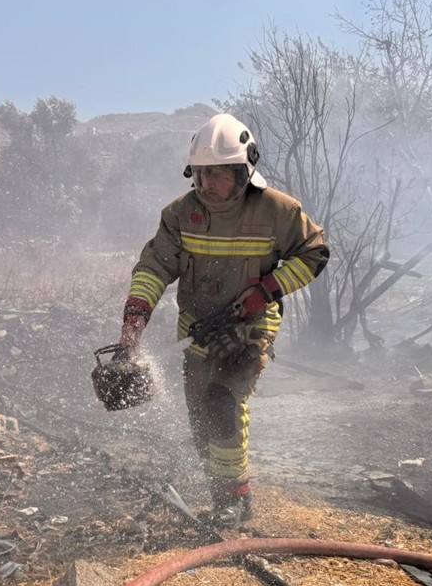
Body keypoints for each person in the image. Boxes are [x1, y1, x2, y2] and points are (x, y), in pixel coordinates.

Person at [118, 113, 329, 525]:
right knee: (201, 418)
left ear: (243, 169)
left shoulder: (277, 211)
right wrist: (133, 324)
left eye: (217, 174)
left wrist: (265, 292)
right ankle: (222, 490)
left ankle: (234, 498)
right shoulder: (180, 214)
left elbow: (314, 253)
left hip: (252, 327)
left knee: (222, 402)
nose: (207, 185)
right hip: (199, 328)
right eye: (200, 175)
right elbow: (153, 269)